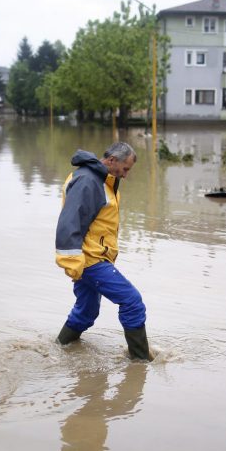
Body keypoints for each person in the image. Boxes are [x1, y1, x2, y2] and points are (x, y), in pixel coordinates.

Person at [55, 142, 151, 360]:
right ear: (112, 160)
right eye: (125, 169)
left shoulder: (104, 181)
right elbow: (69, 222)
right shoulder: (89, 181)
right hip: (90, 260)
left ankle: (58, 350)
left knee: (87, 311)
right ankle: (141, 362)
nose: (125, 175)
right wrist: (72, 263)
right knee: (132, 301)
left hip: (93, 258)